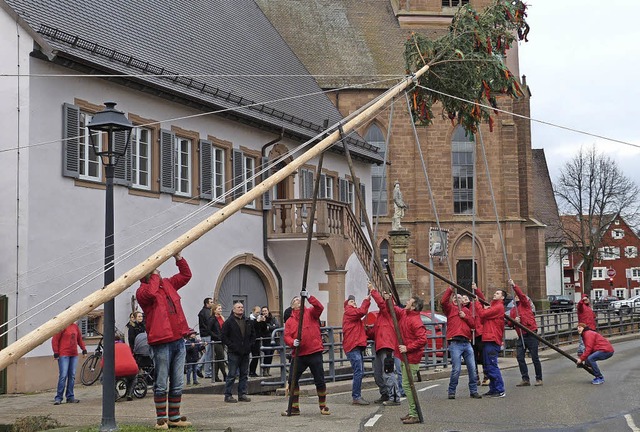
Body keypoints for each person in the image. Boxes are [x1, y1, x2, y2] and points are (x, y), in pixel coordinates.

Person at [136, 252, 193, 429]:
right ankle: (161, 419)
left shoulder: (168, 283)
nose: (158, 271)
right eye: (154, 270)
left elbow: (186, 276)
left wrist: (179, 258)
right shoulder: (142, 291)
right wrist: (153, 274)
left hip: (178, 339)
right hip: (160, 342)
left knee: (177, 381)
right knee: (161, 382)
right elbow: (152, 292)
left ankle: (174, 417)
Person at [281, 292, 329, 416]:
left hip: (314, 352)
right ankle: (294, 407)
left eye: (300, 299)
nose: (299, 300)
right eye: (296, 299)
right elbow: (286, 336)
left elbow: (320, 307)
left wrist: (309, 297)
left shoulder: (311, 313)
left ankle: (323, 406)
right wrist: (293, 342)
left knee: (319, 380)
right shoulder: (290, 321)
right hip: (299, 354)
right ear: (292, 306)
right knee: (292, 380)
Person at [441, 287, 481, 399]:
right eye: (455, 297)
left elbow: (473, 325)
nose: (457, 299)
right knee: (456, 369)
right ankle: (451, 391)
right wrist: (450, 290)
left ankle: (473, 391)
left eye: (459, 298)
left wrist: (465, 317)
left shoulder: (467, 311)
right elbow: (443, 301)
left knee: (472, 369)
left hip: (466, 342)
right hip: (455, 342)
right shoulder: (449, 309)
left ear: (463, 301)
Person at [394, 295, 428, 425]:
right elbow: (395, 309)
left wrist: (408, 348)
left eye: (409, 301)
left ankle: (414, 413)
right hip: (405, 356)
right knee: (407, 385)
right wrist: (387, 298)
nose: (407, 302)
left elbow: (422, 340)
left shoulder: (416, 321)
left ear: (413, 306)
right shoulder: (406, 314)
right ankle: (412, 411)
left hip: (412, 357)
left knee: (408, 386)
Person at [369, 287, 402, 405]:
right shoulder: (381, 317)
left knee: (388, 372)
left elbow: (384, 305)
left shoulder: (389, 312)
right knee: (378, 373)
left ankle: (394, 397)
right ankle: (385, 393)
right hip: (380, 346)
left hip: (387, 346)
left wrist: (373, 291)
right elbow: (374, 333)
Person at [507, 279, 543, 387]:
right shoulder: (513, 310)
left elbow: (521, 295)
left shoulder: (525, 304)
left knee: (535, 357)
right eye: (515, 296)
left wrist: (514, 286)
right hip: (521, 335)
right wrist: (514, 322)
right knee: (520, 357)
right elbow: (509, 323)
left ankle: (539, 378)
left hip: (531, 332)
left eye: (517, 296)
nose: (517, 297)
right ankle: (525, 378)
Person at [221, 302, 255, 403]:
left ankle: (242, 394)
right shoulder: (229, 322)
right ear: (234, 309)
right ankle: (228, 395)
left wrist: (250, 345)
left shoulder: (247, 321)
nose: (241, 309)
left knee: (244, 374)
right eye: (238, 307)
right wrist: (232, 346)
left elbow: (253, 334)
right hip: (234, 352)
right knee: (232, 374)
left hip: (245, 352)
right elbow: (223, 336)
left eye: (242, 307)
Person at [342, 289, 371, 405]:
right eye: (351, 301)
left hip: (355, 345)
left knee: (359, 371)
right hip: (353, 346)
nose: (353, 302)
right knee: (358, 371)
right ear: (347, 305)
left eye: (354, 301)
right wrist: (366, 300)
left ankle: (357, 396)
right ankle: (356, 396)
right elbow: (362, 311)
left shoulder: (353, 315)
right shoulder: (349, 312)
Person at [477, 287, 507, 398]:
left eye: (497, 293)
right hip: (488, 338)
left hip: (492, 339)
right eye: (495, 292)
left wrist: (477, 303)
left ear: (502, 297)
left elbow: (482, 314)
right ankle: (493, 389)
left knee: (492, 365)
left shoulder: (498, 307)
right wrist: (477, 290)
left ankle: (499, 389)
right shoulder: (493, 306)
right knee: (488, 366)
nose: (495, 294)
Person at [51, 321, 87, 405]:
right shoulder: (62, 326)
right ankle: (58, 397)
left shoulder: (75, 327)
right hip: (64, 354)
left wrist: (83, 349)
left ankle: (70, 397)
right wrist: (56, 352)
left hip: (73, 354)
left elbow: (79, 339)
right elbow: (55, 340)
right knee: (63, 375)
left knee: (72, 376)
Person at [105, 332, 139, 401]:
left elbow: (104, 363)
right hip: (132, 369)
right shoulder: (126, 346)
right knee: (133, 378)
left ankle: (115, 394)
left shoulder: (109, 348)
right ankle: (130, 394)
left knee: (104, 378)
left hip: (117, 370)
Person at [257, 306, 280, 377]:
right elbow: (263, 328)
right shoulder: (261, 319)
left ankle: (268, 369)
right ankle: (264, 370)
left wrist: (269, 327)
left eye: (265, 311)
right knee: (267, 354)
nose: (264, 312)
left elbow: (277, 326)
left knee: (270, 355)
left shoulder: (272, 318)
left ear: (268, 311)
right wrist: (271, 327)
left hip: (273, 339)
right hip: (265, 339)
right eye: (263, 311)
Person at [196, 298, 214, 379]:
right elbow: (209, 324)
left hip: (203, 334)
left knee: (206, 353)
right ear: (207, 303)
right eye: (211, 302)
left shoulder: (202, 312)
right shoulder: (207, 312)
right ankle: (207, 372)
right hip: (207, 335)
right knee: (208, 354)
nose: (212, 303)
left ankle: (199, 367)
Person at [210, 303, 227, 382]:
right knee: (221, 357)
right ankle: (225, 374)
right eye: (219, 309)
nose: (220, 310)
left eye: (221, 309)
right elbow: (209, 330)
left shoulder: (221, 318)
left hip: (222, 340)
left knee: (218, 358)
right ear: (214, 310)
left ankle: (215, 376)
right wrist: (216, 336)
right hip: (216, 340)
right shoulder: (212, 319)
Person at [248, 305, 263, 377]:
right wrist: (257, 322)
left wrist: (263, 322)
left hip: (258, 339)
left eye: (259, 312)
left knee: (257, 356)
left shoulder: (258, 318)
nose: (258, 314)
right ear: (253, 311)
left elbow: (262, 328)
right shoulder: (250, 319)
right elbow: (252, 328)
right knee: (254, 356)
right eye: (257, 312)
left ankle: (253, 371)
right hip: (252, 340)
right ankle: (251, 371)